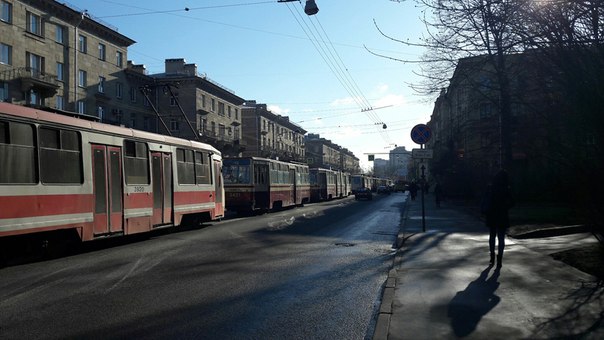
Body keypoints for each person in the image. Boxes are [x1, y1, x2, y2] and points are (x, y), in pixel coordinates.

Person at [482, 169, 514, 267]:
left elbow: (485, 200)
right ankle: (500, 258)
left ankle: (492, 256)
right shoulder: (506, 189)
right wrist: (505, 207)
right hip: (502, 215)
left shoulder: (490, 188)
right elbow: (513, 202)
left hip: (492, 215)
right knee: (501, 238)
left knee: (492, 236)